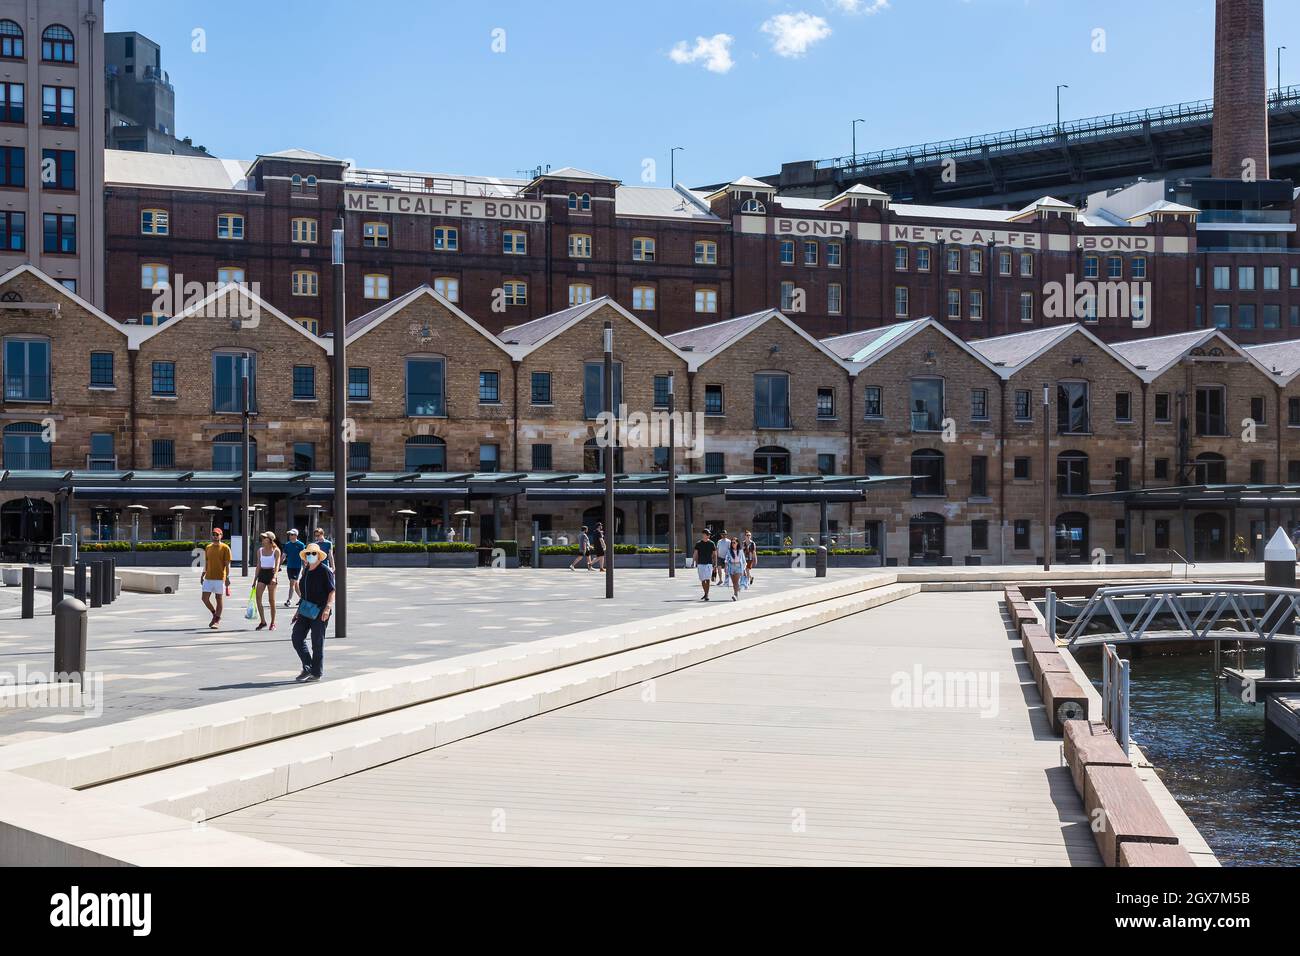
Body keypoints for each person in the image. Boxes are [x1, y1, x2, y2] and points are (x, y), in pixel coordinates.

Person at [290, 543, 335, 682]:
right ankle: (308, 666)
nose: (310, 556)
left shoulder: (324, 570)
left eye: (313, 554)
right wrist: (298, 611)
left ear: (319, 556)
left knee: (317, 641)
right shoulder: (306, 570)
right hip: (306, 609)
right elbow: (304, 593)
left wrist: (328, 608)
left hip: (321, 609)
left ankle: (316, 672)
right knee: (297, 637)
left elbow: (332, 590)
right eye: (308, 554)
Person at [200, 527, 232, 630]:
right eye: (213, 534)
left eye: (217, 534)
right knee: (204, 598)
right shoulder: (208, 547)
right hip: (208, 577)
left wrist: (227, 577)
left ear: (221, 536)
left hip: (219, 578)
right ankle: (215, 614)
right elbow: (206, 562)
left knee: (218, 599)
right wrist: (202, 575)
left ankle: (216, 620)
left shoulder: (225, 548)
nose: (215, 536)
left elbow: (227, 565)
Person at [253, 530, 282, 631]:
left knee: (271, 600)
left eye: (264, 538)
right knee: (258, 598)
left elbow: (277, 564)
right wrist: (254, 579)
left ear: (270, 540)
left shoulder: (276, 550)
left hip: (271, 574)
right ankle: (263, 621)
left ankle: (273, 622)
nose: (262, 540)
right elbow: (258, 565)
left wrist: (275, 576)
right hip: (262, 574)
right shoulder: (260, 550)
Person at [282, 528, 306, 607]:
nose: (290, 536)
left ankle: (289, 600)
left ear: (296, 535)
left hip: (297, 567)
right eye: (290, 534)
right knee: (295, 585)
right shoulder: (287, 544)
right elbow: (284, 556)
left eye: (292, 534)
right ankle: (303, 599)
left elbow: (303, 557)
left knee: (292, 583)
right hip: (289, 567)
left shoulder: (301, 545)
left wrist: (304, 567)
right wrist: (278, 564)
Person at [692, 530, 717, 600]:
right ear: (703, 534)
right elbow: (695, 553)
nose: (708, 535)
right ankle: (705, 593)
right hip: (700, 563)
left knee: (708, 579)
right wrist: (693, 561)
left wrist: (715, 564)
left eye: (709, 534)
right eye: (707, 534)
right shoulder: (698, 543)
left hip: (709, 563)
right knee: (702, 579)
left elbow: (715, 554)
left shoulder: (712, 543)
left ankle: (707, 594)